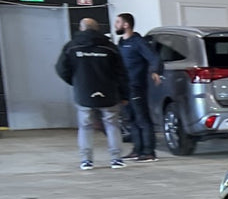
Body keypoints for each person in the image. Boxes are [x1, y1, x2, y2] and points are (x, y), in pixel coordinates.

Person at [55, 18, 130, 170]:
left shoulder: (71, 47)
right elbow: (121, 73)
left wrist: (76, 82)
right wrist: (124, 95)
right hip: (109, 92)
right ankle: (116, 159)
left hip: (84, 93)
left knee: (85, 126)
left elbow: (61, 69)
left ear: (81, 28)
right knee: (112, 125)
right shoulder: (110, 47)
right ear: (97, 29)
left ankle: (86, 161)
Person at [114, 12, 163, 161]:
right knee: (131, 119)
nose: (115, 25)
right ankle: (137, 149)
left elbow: (154, 58)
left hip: (136, 85)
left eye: (118, 22)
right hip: (124, 87)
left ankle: (149, 152)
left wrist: (155, 71)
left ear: (126, 25)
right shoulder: (121, 43)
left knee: (142, 118)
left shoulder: (138, 42)